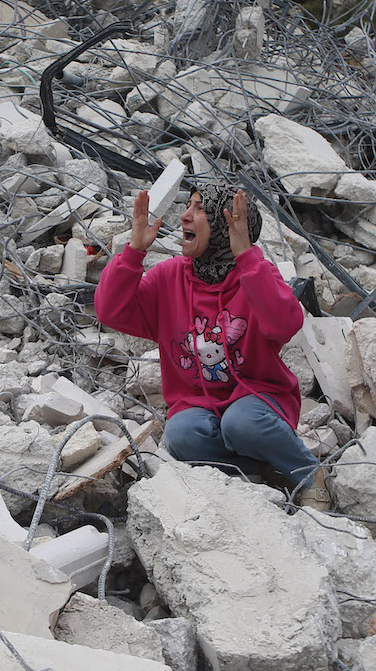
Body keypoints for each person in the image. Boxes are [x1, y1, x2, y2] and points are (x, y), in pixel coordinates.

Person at [94, 182, 331, 509]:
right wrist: (134, 251)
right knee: (180, 435)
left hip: (258, 401)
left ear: (224, 226)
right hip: (197, 406)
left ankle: (309, 474)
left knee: (241, 422)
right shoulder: (170, 278)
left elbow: (287, 323)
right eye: (188, 206)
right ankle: (259, 471)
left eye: (200, 209)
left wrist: (247, 257)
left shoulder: (255, 275)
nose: (185, 216)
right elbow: (110, 311)